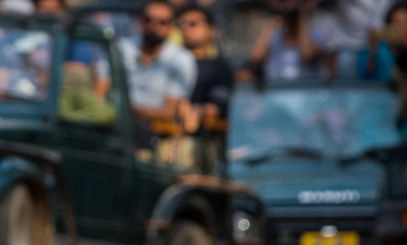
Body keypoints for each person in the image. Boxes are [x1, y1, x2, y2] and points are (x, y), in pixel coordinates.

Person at [120, 0, 198, 167]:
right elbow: (101, 89)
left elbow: (169, 112)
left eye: (162, 22)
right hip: (114, 128)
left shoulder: (180, 60)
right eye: (148, 20)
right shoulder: (122, 47)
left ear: (171, 27)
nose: (154, 26)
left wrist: (126, 108)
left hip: (151, 137)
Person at [178, 4, 233, 174]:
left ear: (211, 30)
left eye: (193, 24)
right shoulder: (171, 62)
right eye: (182, 25)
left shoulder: (219, 67)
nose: (186, 29)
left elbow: (218, 107)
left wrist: (198, 112)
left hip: (199, 142)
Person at [360, 2, 407, 138]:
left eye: (405, 24)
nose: (400, 30)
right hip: (381, 121)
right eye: (395, 24)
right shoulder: (378, 51)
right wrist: (372, 51)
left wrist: (406, 48)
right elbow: (363, 78)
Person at [241, 0, 325, 81]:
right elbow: (256, 58)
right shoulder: (273, 35)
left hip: (305, 91)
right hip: (276, 91)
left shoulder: (315, 35)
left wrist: (301, 16)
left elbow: (308, 55)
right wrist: (271, 23)